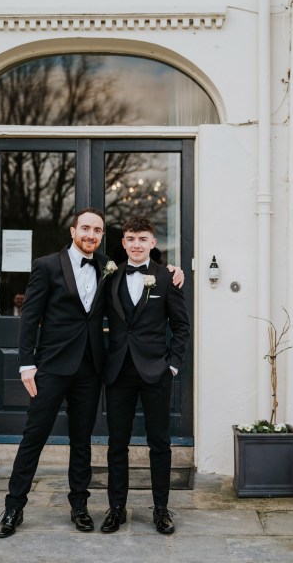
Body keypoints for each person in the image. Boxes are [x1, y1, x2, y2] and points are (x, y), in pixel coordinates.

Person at [0, 208, 184, 539]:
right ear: (73, 231)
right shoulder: (48, 266)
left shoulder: (105, 269)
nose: (91, 235)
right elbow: (29, 316)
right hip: (52, 366)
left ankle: (80, 507)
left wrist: (173, 270)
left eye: (97, 230)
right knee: (33, 437)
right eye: (85, 228)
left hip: (92, 369)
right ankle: (14, 507)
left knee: (82, 441)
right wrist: (27, 363)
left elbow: (169, 313)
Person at [101, 216, 190, 536]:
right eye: (130, 239)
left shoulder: (167, 278)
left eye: (142, 239)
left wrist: (173, 364)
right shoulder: (109, 276)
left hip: (156, 371)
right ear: (123, 243)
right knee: (116, 443)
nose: (136, 245)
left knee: (160, 443)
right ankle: (116, 508)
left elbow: (181, 326)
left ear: (153, 243)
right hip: (118, 372)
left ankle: (162, 509)